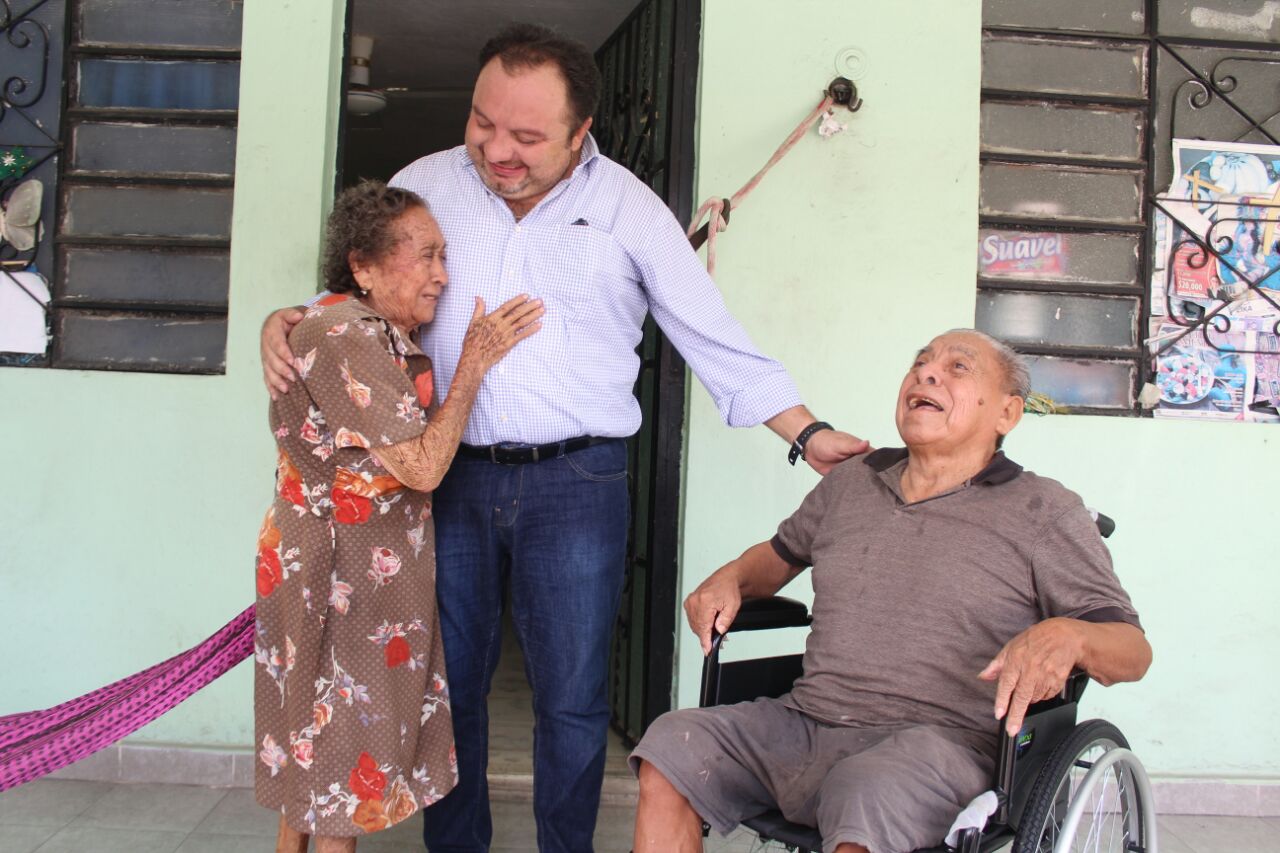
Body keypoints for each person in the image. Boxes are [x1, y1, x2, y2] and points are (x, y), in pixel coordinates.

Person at [260, 24, 868, 853]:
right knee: (448, 689)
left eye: (526, 136)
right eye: (484, 122)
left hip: (577, 484)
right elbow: (359, 299)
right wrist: (282, 319)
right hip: (444, 482)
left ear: (582, 133)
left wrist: (807, 431)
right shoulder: (424, 185)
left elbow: (709, 332)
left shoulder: (626, 207)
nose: (496, 149)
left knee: (574, 699)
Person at [631, 330, 1153, 853]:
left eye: (958, 368)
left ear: (1007, 414)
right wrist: (731, 577)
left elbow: (1132, 650)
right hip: (807, 719)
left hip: (943, 745)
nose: (927, 373)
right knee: (672, 746)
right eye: (920, 364)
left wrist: (1070, 636)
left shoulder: (1043, 509)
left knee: (866, 794)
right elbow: (775, 559)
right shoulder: (853, 481)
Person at [255, 181, 543, 853]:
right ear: (363, 265)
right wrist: (473, 364)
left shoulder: (348, 324)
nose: (441, 275)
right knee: (336, 757)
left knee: (312, 745)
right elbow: (421, 467)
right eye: (426, 257)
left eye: (444, 256)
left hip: (338, 565)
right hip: (340, 575)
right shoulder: (349, 334)